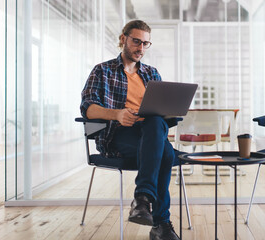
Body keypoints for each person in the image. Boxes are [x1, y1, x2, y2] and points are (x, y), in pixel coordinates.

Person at [80, 20, 180, 240]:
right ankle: (161, 225)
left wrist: (173, 110)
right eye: (136, 42)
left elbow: (161, 113)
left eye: (145, 44)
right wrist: (116, 114)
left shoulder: (152, 73)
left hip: (150, 133)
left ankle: (142, 200)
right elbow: (88, 108)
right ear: (123, 38)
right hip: (118, 135)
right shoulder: (102, 71)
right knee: (167, 154)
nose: (141, 48)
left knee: (155, 123)